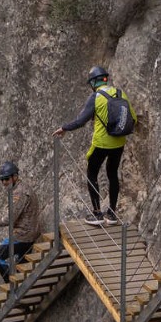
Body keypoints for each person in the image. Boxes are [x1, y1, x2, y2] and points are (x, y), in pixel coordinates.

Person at [53, 65, 135, 226]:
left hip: (101, 143)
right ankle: (111, 214)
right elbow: (132, 117)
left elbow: (80, 121)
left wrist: (64, 128)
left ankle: (97, 213)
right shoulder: (120, 93)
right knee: (112, 174)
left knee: (92, 174)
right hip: (119, 141)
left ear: (93, 82)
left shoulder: (96, 97)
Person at [0, 161, 43, 280]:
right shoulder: (22, 188)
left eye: (6, 179)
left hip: (23, 236)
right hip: (29, 233)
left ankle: (11, 284)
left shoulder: (19, 193)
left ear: (15, 177)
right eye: (2, 180)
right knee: (22, 269)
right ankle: (18, 288)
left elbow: (9, 219)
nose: (4, 183)